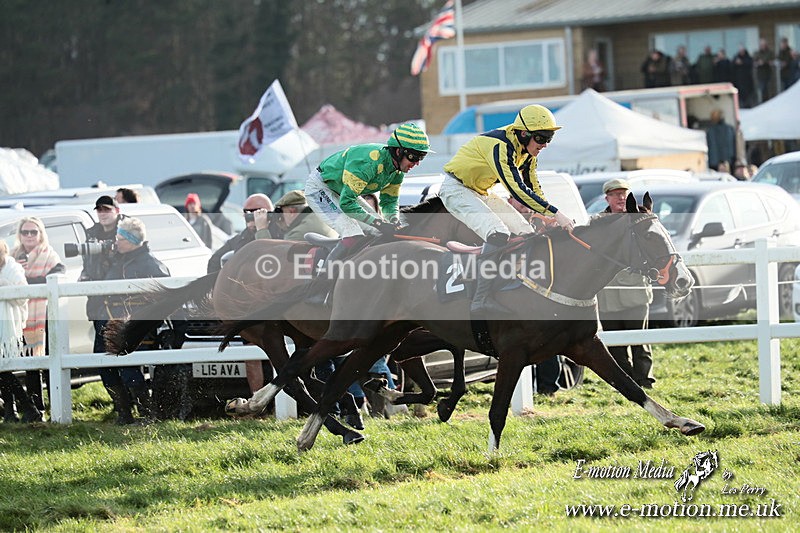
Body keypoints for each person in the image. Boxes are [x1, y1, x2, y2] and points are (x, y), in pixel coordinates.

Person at [439, 104, 574, 314]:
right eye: (541, 138)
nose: (545, 144)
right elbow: (516, 189)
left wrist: (545, 214)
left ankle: (517, 287)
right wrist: (556, 213)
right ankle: (480, 298)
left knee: (527, 233)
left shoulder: (529, 151)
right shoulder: (500, 146)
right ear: (523, 133)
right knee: (498, 233)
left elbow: (532, 186)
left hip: (480, 190)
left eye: (549, 138)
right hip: (457, 189)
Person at [305, 122, 431, 268]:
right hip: (320, 187)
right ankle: (324, 280)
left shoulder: (397, 171)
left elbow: (389, 201)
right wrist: (378, 223)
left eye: (421, 158)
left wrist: (394, 220)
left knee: (380, 232)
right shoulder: (368, 164)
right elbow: (346, 203)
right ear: (398, 152)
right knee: (352, 232)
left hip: (342, 191)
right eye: (414, 157)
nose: (416, 163)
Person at [102, 216, 170, 423]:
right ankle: (124, 412)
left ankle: (145, 412)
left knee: (129, 367)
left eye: (120, 238)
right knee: (105, 367)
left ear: (130, 240)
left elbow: (163, 298)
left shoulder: (151, 265)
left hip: (139, 327)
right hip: (113, 323)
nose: (116, 241)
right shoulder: (119, 261)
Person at [206, 193, 274, 395]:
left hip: (275, 304)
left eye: (256, 213)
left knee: (279, 353)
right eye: (247, 213)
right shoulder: (239, 239)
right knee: (251, 353)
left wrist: (262, 230)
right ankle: (257, 401)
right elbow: (214, 262)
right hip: (248, 307)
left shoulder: (277, 232)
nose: (251, 217)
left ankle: (288, 404)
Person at [596, 178, 655, 389]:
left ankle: (645, 380)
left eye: (624, 194)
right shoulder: (598, 222)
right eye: (615, 194)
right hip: (608, 293)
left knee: (640, 339)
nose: (621, 198)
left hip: (634, 290)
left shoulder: (638, 218)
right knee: (615, 344)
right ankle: (627, 382)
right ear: (607, 198)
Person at [80, 195, 132, 421]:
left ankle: (136, 405)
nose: (103, 213)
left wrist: (113, 253)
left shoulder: (127, 230)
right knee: (102, 358)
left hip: (122, 305)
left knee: (126, 357)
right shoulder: (91, 233)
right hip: (98, 303)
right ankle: (121, 407)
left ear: (117, 210)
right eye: (99, 209)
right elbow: (88, 264)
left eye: (107, 209)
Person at [11, 216, 65, 416]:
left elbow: (58, 274)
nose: (29, 236)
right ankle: (36, 408)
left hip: (45, 316)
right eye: (25, 232)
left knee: (49, 363)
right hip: (22, 316)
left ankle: (57, 408)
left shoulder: (49, 255)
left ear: (41, 234)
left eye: (34, 231)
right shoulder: (14, 256)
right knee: (30, 365)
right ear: (20, 235)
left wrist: (30, 281)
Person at [0, 241, 41, 423]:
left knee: (3, 369)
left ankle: (24, 408)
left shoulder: (13, 270)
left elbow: (22, 297)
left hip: (7, 327)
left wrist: (4, 284)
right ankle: (15, 410)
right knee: (2, 370)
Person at [207, 193, 273, 273]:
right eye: (247, 216)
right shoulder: (242, 238)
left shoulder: (278, 234)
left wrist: (261, 230)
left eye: (253, 216)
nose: (250, 221)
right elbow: (214, 261)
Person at [255, 189, 336, 241]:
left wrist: (261, 229)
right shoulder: (320, 217)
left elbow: (273, 259)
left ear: (292, 211)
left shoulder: (297, 234)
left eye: (281, 212)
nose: (280, 216)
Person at [753, 38, 775, 102]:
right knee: (762, 90)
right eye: (761, 44)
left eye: (764, 44)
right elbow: (755, 61)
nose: (762, 46)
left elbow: (771, 61)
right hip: (760, 75)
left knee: (768, 90)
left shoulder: (770, 52)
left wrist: (763, 62)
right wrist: (760, 62)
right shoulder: (757, 52)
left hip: (768, 73)